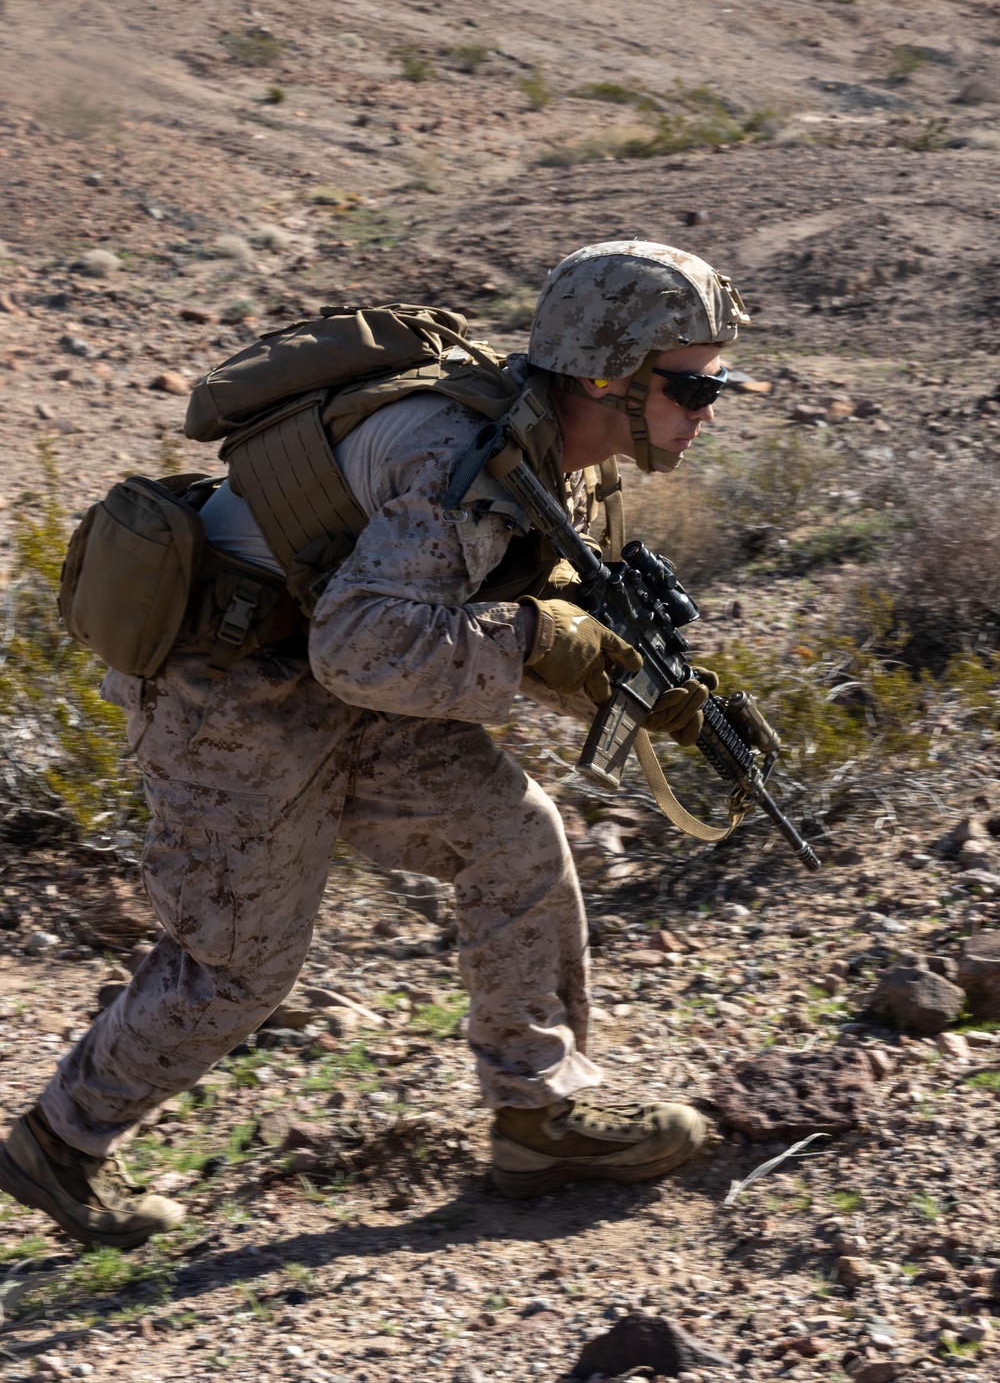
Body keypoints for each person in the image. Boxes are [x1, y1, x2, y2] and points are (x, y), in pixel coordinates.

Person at [0, 240, 749, 1248]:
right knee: (237, 966)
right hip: (230, 687)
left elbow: (513, 622)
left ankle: (537, 1117)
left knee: (509, 836)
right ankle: (57, 1143)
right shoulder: (454, 454)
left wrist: (643, 691)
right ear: (608, 376)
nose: (706, 411)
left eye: (716, 387)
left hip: (337, 674)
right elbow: (364, 647)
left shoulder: (562, 461)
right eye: (692, 387)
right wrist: (539, 642)